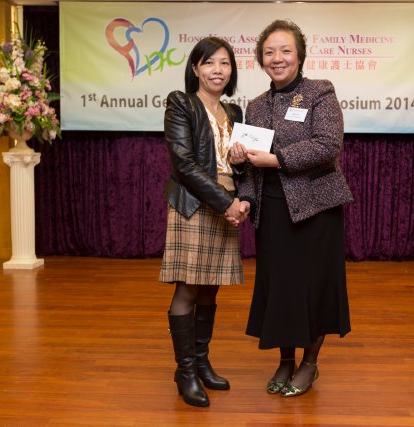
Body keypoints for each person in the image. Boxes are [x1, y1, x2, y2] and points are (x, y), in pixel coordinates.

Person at [230, 19, 353, 398]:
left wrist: (277, 159)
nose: (277, 58)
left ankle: (310, 363)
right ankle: (285, 360)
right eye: (269, 52)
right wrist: (245, 193)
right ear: (260, 59)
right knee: (281, 288)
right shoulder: (256, 106)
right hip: (273, 212)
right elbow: (251, 166)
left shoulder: (319, 91)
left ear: (299, 54)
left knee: (314, 288)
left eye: (285, 50)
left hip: (316, 209)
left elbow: (328, 144)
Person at [159, 36, 248, 408]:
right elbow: (184, 164)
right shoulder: (181, 103)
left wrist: (241, 166)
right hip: (196, 204)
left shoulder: (235, 112)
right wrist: (227, 203)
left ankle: (201, 362)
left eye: (225, 63)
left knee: (211, 289)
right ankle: (185, 371)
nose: (217, 70)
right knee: (189, 288)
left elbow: (235, 165)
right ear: (195, 68)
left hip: (226, 203)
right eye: (209, 62)